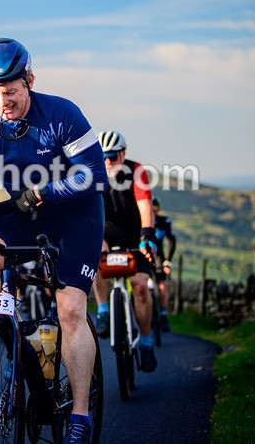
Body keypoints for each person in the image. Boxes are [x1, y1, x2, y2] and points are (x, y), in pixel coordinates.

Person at [0, 38, 108, 441]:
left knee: (70, 309)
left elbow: (94, 176)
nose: (3, 102)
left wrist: (45, 192)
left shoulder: (61, 113)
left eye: (12, 92)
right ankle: (23, 338)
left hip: (75, 215)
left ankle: (80, 418)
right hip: (24, 213)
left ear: (29, 80)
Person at [92, 130, 159, 372]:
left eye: (113, 156)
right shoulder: (92, 174)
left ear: (123, 153)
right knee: (92, 260)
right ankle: (103, 311)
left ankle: (147, 343)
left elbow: (145, 206)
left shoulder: (137, 171)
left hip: (134, 237)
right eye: (104, 157)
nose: (108, 162)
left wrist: (147, 235)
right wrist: (97, 238)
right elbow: (87, 211)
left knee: (141, 287)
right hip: (105, 236)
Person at [153, 197, 176, 332]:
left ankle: (163, 313)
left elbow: (172, 241)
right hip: (144, 255)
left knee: (162, 284)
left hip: (159, 257)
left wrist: (168, 260)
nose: (153, 211)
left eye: (156, 208)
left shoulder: (164, 221)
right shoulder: (139, 219)